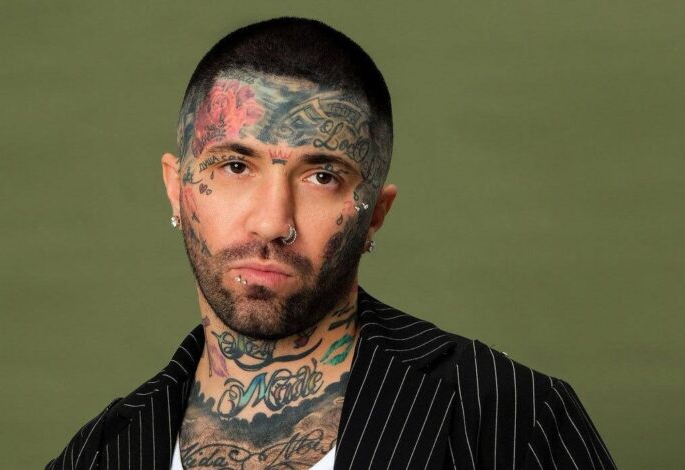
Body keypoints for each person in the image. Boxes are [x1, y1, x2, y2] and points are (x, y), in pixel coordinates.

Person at [46, 17, 616, 470]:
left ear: (375, 216)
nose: (272, 222)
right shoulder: (97, 456)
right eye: (234, 166)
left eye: (322, 176)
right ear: (177, 189)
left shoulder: (513, 420)